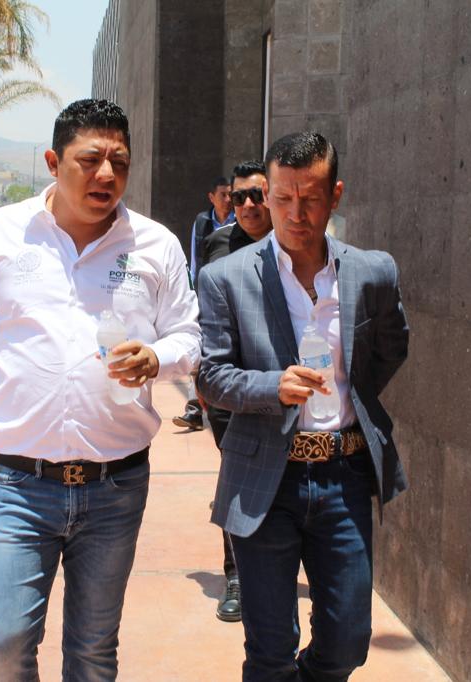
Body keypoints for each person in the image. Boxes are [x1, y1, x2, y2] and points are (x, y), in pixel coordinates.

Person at [0, 99, 200, 681]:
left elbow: (189, 336)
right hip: (21, 485)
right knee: (4, 643)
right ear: (53, 161)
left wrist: (158, 358)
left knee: (93, 651)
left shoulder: (155, 245)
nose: (106, 175)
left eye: (119, 162)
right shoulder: (3, 234)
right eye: (89, 160)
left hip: (115, 485)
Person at [197, 131, 409, 681]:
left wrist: (352, 392)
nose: (296, 213)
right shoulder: (224, 279)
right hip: (265, 479)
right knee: (269, 651)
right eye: (283, 198)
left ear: (335, 195)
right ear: (267, 195)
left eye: (310, 199)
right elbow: (212, 377)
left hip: (344, 475)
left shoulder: (372, 272)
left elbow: (391, 348)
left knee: (347, 641)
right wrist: (274, 386)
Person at [196, 159, 274, 623]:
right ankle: (238, 576)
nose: (246, 204)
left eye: (256, 195)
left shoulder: (292, 243)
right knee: (237, 480)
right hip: (231, 391)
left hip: (285, 389)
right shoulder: (217, 244)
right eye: (238, 196)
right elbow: (202, 316)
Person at [172, 175, 234, 431]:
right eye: (223, 195)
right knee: (199, 349)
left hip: (231, 296)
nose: (229, 200)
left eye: (231, 195)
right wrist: (194, 293)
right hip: (205, 294)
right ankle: (194, 409)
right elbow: (195, 260)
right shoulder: (202, 221)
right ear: (211, 197)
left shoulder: (240, 220)